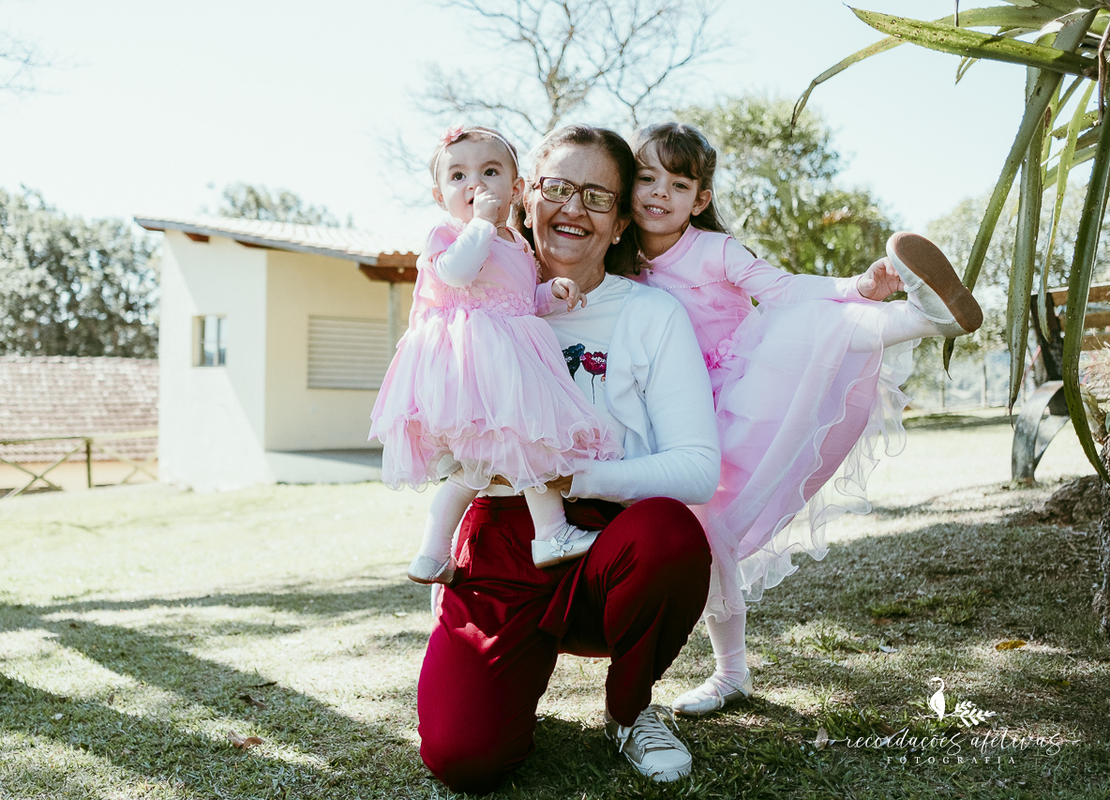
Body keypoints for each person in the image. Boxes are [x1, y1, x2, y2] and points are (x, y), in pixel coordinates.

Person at [626, 121, 983, 716]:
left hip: (743, 387)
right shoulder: (621, 262)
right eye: (646, 177)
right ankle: (730, 674)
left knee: (808, 329)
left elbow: (785, 291)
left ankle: (927, 319)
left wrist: (859, 285)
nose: (659, 192)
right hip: (676, 420)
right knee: (712, 537)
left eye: (678, 182)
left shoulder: (715, 250)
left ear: (701, 200)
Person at [416, 125, 721, 791]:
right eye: (558, 188)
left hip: (607, 548)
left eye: (597, 196)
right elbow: (439, 429)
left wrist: (564, 475)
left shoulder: (650, 314)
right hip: (501, 547)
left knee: (670, 532)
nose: (573, 208)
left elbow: (698, 466)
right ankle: (494, 677)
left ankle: (630, 709)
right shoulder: (472, 298)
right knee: (463, 760)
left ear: (619, 226)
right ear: (527, 200)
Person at [369, 125, 623, 586]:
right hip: (476, 364)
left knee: (475, 469)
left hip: (510, 355)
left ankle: (431, 554)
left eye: (490, 172)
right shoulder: (448, 234)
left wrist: (553, 292)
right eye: (459, 176)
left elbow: (520, 299)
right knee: (534, 445)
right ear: (439, 193)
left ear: (517, 188)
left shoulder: (516, 243)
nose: (475, 185)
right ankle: (550, 532)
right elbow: (457, 274)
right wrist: (481, 225)